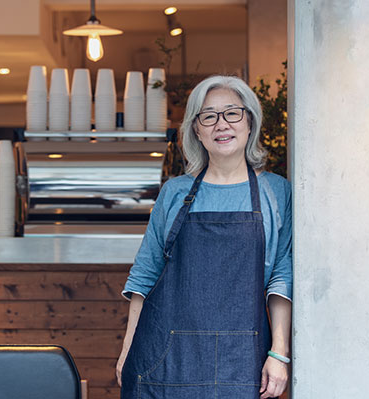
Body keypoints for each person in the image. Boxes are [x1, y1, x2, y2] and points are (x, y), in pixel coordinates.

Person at [116, 75, 292, 399]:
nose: (221, 124)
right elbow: (144, 275)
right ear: (197, 129)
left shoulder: (275, 191)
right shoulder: (174, 192)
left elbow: (282, 276)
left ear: (249, 120)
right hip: (166, 361)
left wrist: (279, 354)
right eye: (208, 116)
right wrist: (128, 348)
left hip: (244, 362)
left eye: (232, 113)